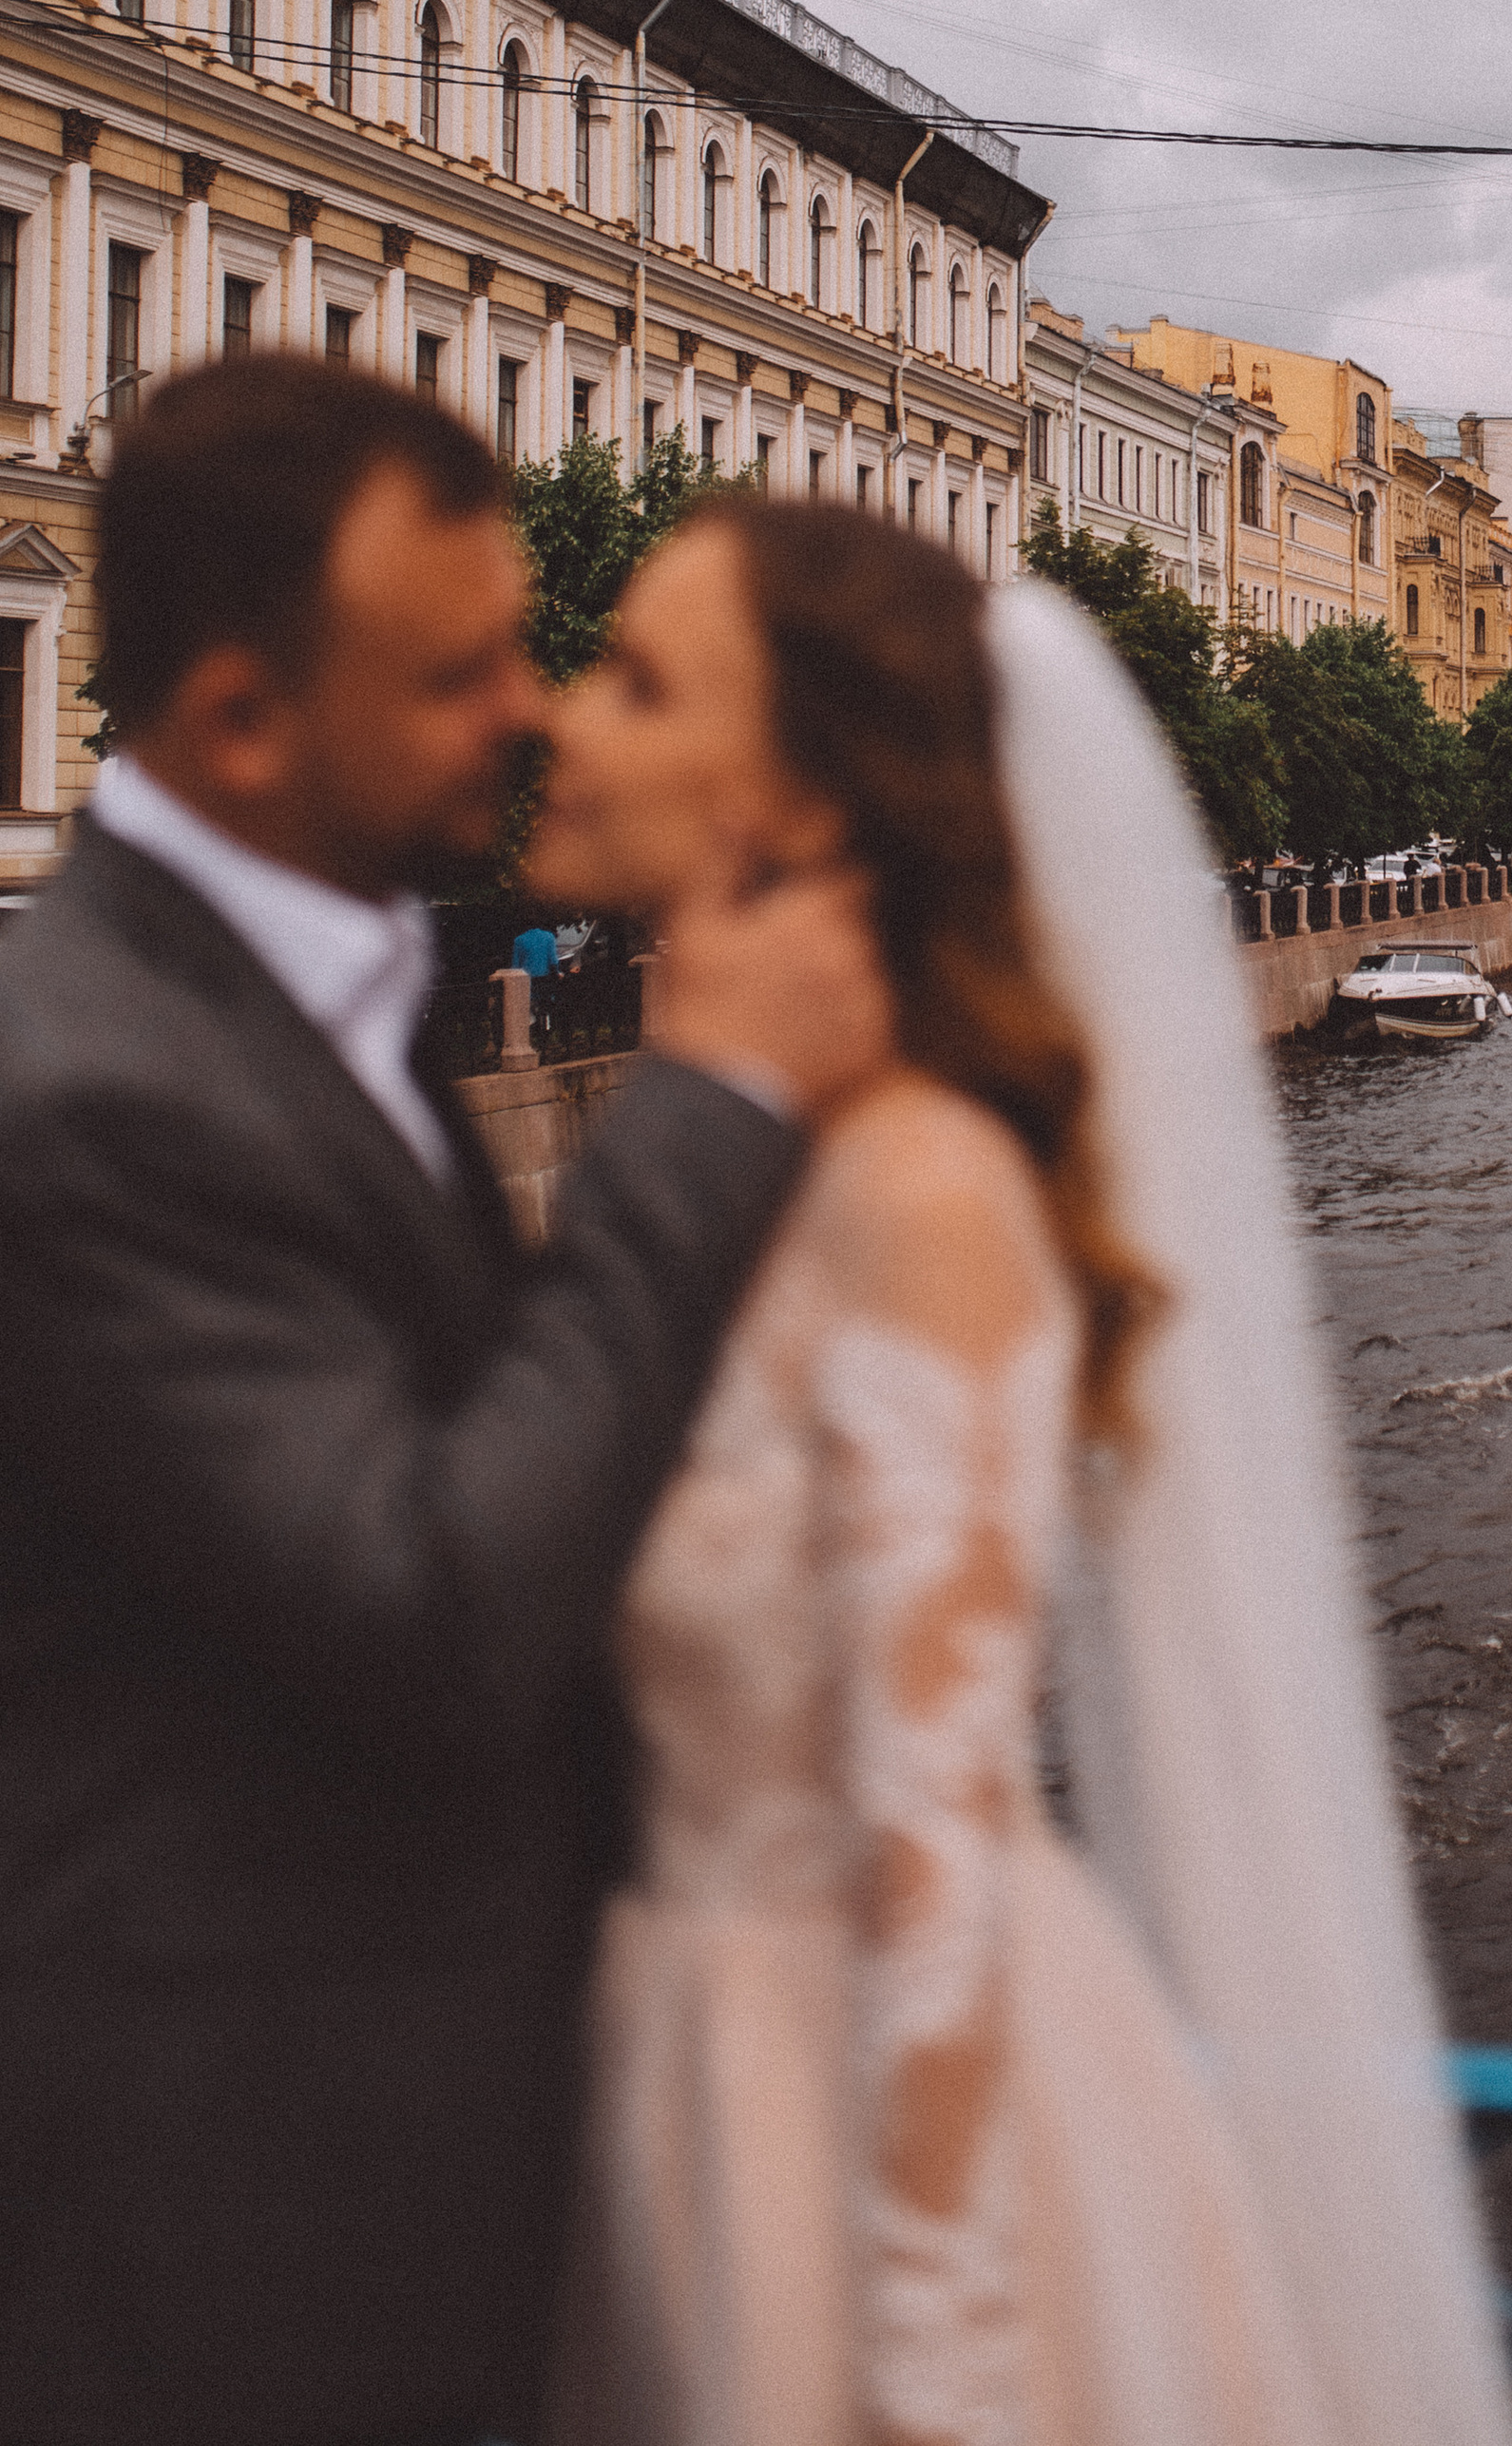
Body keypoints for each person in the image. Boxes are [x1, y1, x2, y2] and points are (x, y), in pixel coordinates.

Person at [534, 500, 1512, 2446]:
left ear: (800, 795)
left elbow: (932, 1848)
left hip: (877, 2130)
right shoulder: (757, 1154)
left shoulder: (918, 1191)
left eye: (641, 677)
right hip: (696, 2084)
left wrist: (928, 2361)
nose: (569, 715)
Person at [0, 361, 892, 2446]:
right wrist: (708, 1101)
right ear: (237, 717)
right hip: (221, 2264)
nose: (530, 706)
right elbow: (431, 1611)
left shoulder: (303, 980)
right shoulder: (84, 1091)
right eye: (461, 665)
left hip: (433, 2189)